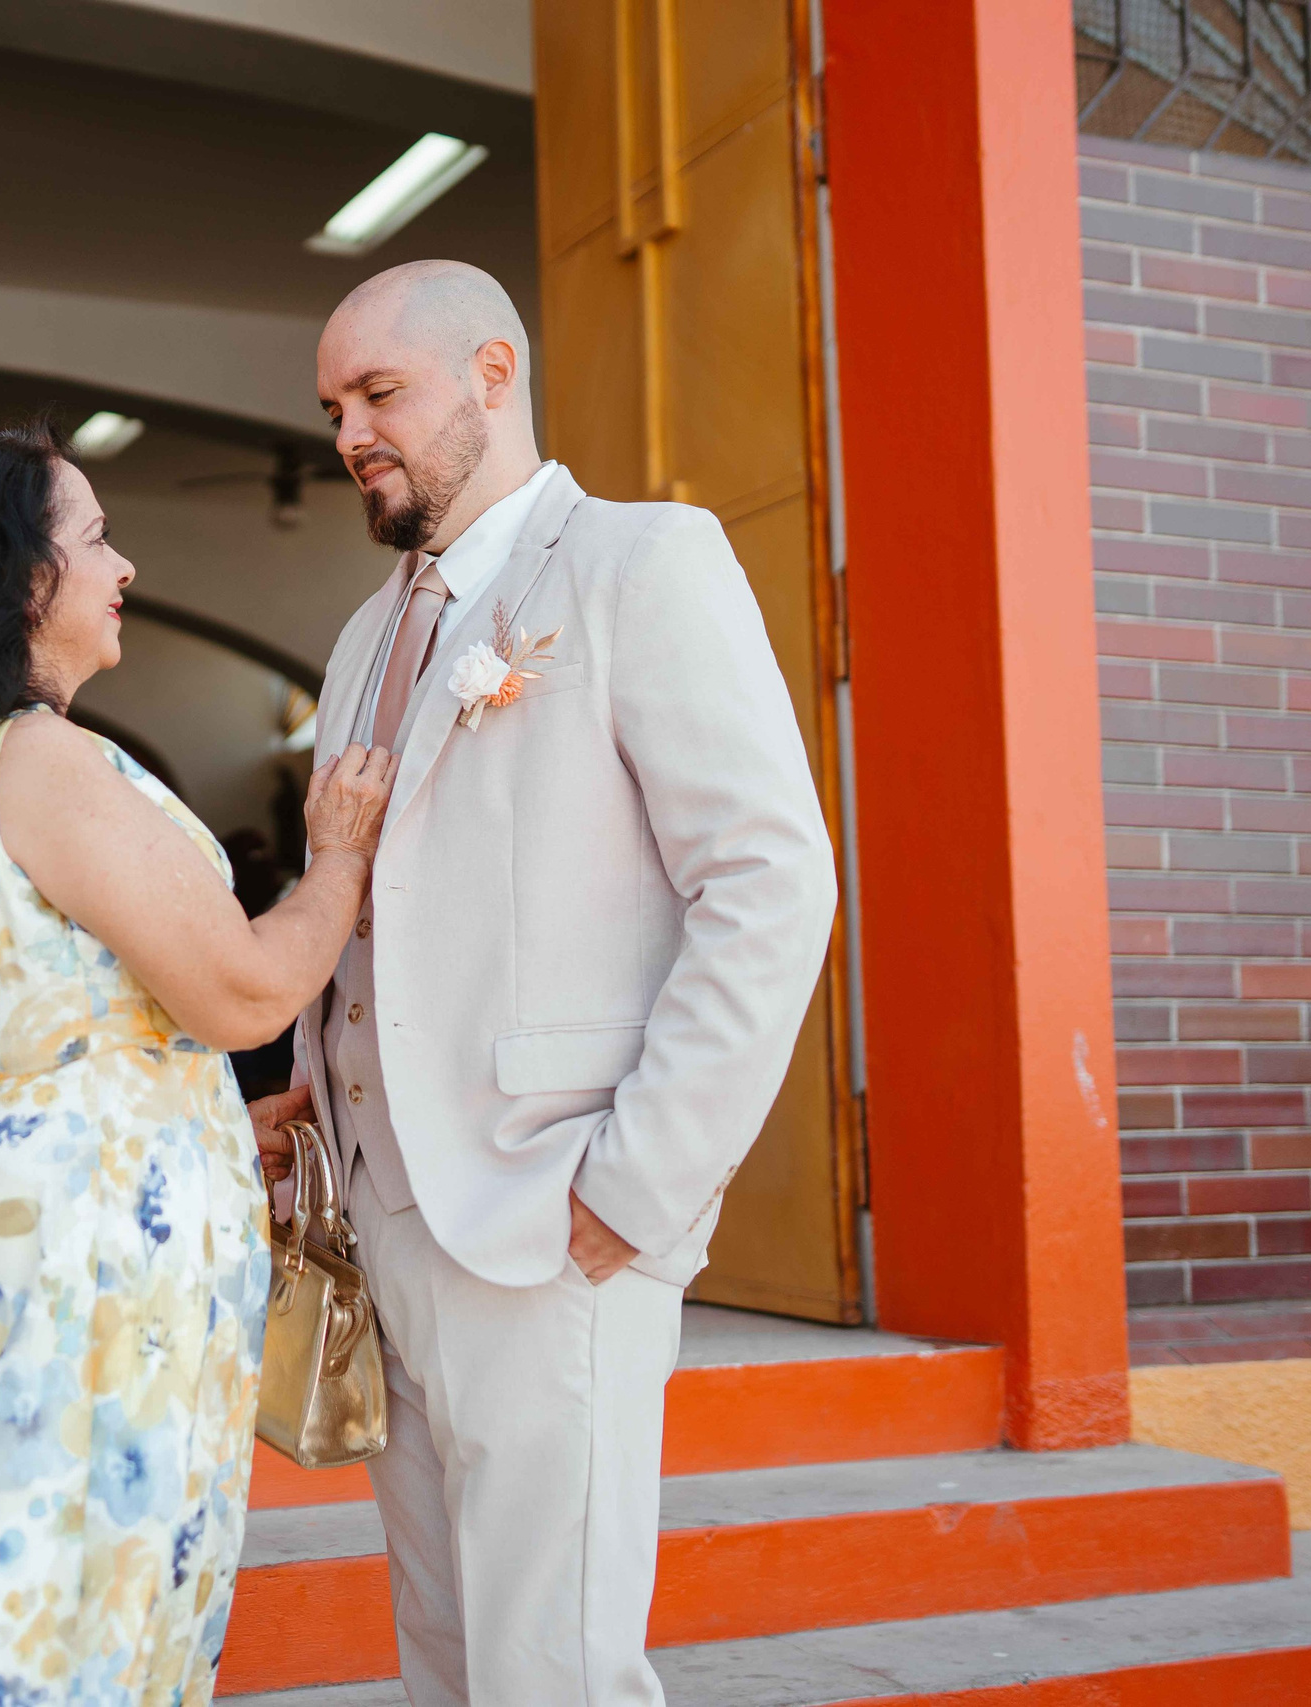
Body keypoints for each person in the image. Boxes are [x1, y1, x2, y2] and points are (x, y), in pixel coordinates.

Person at [250, 260, 839, 1707]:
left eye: (380, 393)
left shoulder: (648, 561)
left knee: (553, 1667)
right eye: (334, 407)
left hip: (553, 1210)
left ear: (494, 373)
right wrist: (313, 1094)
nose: (349, 434)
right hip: (381, 1221)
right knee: (446, 1653)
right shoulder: (361, 634)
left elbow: (770, 882)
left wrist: (636, 1185)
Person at [0, 422, 395, 1705]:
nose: (126, 566)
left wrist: (191, 1120)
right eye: (95, 537)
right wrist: (337, 855)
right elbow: (243, 986)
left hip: (8, 1240)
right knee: (68, 1593)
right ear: (18, 579)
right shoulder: (49, 759)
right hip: (94, 1271)